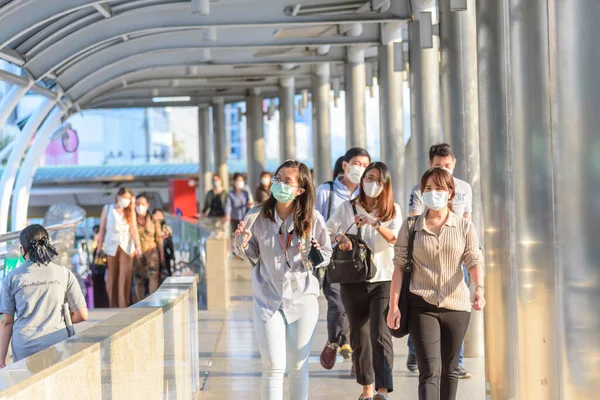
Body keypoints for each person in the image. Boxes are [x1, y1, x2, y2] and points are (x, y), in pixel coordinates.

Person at [234, 160, 332, 400]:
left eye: (287, 181)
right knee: (273, 366)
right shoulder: (256, 216)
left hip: (302, 300)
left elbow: (326, 257)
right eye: (278, 179)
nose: (279, 184)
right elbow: (250, 254)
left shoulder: (313, 218)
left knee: (298, 366)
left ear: (300, 189)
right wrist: (241, 243)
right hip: (268, 300)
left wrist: (313, 252)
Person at [387, 168, 485, 400]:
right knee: (430, 371)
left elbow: (474, 260)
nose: (433, 193)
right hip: (422, 305)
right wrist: (393, 306)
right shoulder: (411, 226)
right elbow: (399, 267)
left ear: (450, 192)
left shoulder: (464, 226)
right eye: (428, 189)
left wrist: (479, 288)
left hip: (457, 307)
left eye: (439, 188)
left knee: (450, 371)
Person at [327, 162, 402, 400]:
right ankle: (367, 388)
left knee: (381, 334)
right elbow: (329, 230)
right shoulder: (347, 207)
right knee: (359, 336)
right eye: (369, 178)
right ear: (362, 180)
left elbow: (396, 239)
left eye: (379, 180)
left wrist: (374, 223)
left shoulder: (393, 210)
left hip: (383, 279)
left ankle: (382, 390)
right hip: (354, 279)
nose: (373, 184)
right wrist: (340, 237)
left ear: (386, 185)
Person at [406, 143, 473, 377]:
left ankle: (457, 360)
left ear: (454, 164)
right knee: (424, 304)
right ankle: (416, 348)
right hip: (426, 256)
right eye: (437, 166)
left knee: (456, 304)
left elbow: (467, 218)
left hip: (455, 257)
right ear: (429, 165)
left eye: (446, 165)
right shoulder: (419, 188)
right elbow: (413, 219)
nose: (443, 169)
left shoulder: (464, 188)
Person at [315, 147, 371, 370]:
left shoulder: (368, 192)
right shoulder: (325, 191)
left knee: (359, 311)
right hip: (335, 260)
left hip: (362, 260)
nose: (361, 169)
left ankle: (357, 357)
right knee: (338, 305)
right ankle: (333, 341)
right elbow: (313, 223)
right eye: (357, 163)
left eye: (366, 165)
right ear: (345, 165)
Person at [0, 224, 89, 365]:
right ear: (48, 245)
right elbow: (82, 315)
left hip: (25, 348)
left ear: (22, 250)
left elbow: (6, 322)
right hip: (58, 343)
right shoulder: (64, 273)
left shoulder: (12, 278)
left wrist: (1, 357)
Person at [97, 187, 142, 308]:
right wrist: (99, 247)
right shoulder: (107, 209)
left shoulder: (130, 211)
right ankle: (113, 304)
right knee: (112, 276)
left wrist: (138, 246)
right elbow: (102, 229)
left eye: (128, 198)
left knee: (124, 276)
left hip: (127, 247)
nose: (126, 201)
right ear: (118, 196)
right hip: (111, 246)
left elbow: (133, 229)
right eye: (125, 197)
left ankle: (123, 304)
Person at [133, 194, 165, 302]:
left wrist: (162, 255)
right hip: (138, 254)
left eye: (142, 204)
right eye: (137, 204)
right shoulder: (132, 220)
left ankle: (152, 301)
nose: (140, 206)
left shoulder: (153, 219)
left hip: (152, 252)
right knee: (139, 280)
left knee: (153, 276)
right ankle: (141, 302)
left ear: (147, 205)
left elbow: (159, 238)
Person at [152, 209, 175, 279]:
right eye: (156, 215)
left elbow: (170, 243)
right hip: (153, 254)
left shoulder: (167, 228)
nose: (158, 217)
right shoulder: (150, 228)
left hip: (166, 255)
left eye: (160, 215)